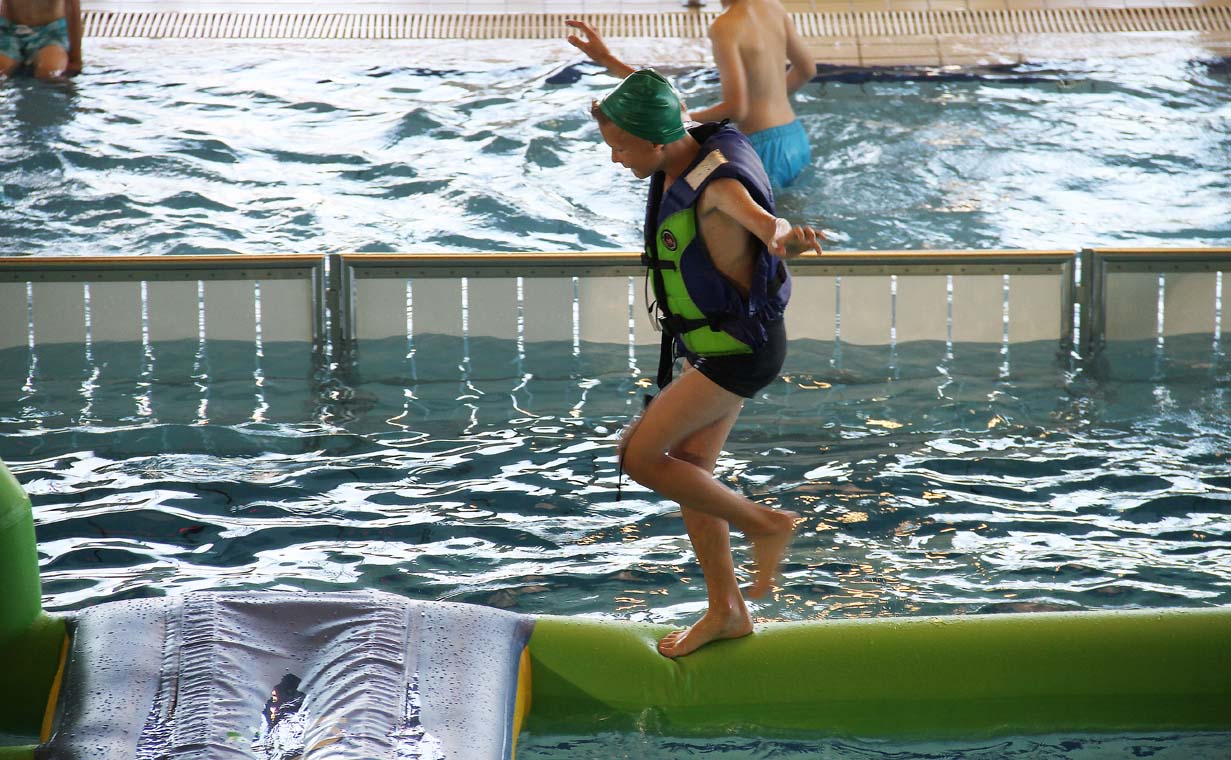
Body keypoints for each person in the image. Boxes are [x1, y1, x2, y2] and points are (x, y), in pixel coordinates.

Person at [593, 69, 823, 657]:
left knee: (639, 455)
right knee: (692, 472)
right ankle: (728, 611)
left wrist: (787, 237)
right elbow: (657, 94)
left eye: (621, 147)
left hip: (738, 354)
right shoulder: (680, 144)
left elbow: (766, 226)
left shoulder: (717, 186)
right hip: (723, 347)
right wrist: (609, 65)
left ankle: (763, 523)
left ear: (657, 140)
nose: (615, 158)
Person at [566, 0, 814, 187]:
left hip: (761, 149)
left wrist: (674, 121)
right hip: (795, 137)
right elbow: (807, 70)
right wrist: (768, 102)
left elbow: (737, 110)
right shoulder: (772, 6)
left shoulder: (725, 26)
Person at [0, 0, 82, 81]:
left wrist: (75, 59)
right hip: (8, 31)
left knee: (50, 72)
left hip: (52, 33)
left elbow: (72, 7)